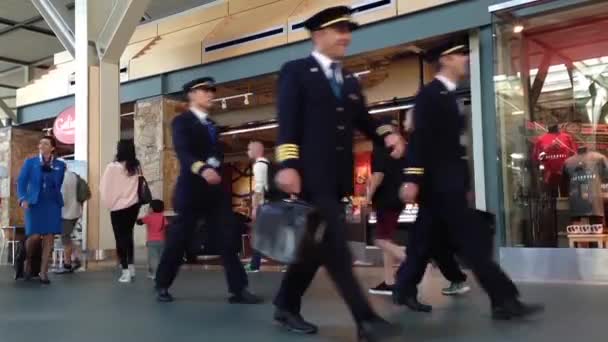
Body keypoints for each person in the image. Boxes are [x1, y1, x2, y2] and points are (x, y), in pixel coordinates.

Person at [272, 6, 404, 340]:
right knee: (337, 248)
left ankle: (285, 303)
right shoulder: (296, 71)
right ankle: (366, 321)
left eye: (348, 29)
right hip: (310, 176)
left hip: (338, 179)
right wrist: (287, 165)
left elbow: (365, 120)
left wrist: (387, 134)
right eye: (339, 30)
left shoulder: (348, 80)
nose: (346, 36)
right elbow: (286, 122)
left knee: (313, 250)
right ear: (318, 35)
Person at [396, 39, 544, 320]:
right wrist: (413, 178)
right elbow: (420, 140)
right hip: (439, 186)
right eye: (461, 55)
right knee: (473, 242)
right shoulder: (430, 95)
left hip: (447, 186)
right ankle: (504, 300)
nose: (466, 59)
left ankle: (403, 288)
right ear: (447, 60)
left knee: (423, 240)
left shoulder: (446, 95)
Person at [154, 77, 261, 305]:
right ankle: (162, 284)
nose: (211, 93)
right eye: (205, 90)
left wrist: (216, 167)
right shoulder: (181, 122)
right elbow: (183, 152)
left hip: (214, 192)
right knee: (179, 239)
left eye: (212, 90)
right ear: (191, 94)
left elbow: (216, 155)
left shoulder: (211, 125)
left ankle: (238, 289)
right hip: (191, 190)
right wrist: (202, 168)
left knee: (227, 237)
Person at [17, 135, 66, 284]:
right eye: (40, 143)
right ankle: (28, 262)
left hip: (51, 203)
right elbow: (21, 182)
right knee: (34, 236)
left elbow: (58, 183)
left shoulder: (60, 165)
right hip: (34, 204)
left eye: (45, 143)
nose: (41, 146)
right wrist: (22, 198)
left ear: (52, 148)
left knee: (50, 237)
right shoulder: (30, 163)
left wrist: (51, 171)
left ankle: (43, 272)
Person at [366, 117, 406, 296]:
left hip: (385, 200)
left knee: (380, 240)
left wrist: (367, 197)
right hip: (397, 198)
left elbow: (378, 175)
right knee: (387, 239)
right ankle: (389, 281)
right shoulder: (402, 147)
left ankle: (414, 261)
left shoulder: (380, 146)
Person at [100, 139, 142, 283]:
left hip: (118, 207)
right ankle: (131, 267)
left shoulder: (112, 167)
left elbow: (105, 189)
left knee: (120, 238)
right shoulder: (136, 166)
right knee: (128, 236)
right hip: (134, 206)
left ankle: (125, 271)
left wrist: (110, 204)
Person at [245, 141, 268, 273]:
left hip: (262, 205)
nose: (247, 152)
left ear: (256, 151)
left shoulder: (258, 165)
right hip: (270, 204)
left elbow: (259, 187)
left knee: (257, 235)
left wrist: (255, 207)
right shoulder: (267, 164)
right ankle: (255, 264)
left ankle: (255, 265)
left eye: (249, 149)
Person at [136, 199, 167, 280]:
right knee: (160, 258)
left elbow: (139, 222)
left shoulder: (149, 217)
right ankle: (160, 273)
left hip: (152, 242)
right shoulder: (163, 217)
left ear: (152, 208)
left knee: (153, 258)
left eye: (149, 207)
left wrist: (143, 215)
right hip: (162, 241)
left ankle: (155, 274)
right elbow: (167, 227)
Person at [59, 169, 83, 273]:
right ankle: (76, 258)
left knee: (65, 238)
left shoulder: (62, 178)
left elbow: (62, 198)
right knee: (67, 237)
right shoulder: (73, 175)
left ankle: (67, 264)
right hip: (76, 211)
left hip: (67, 213)